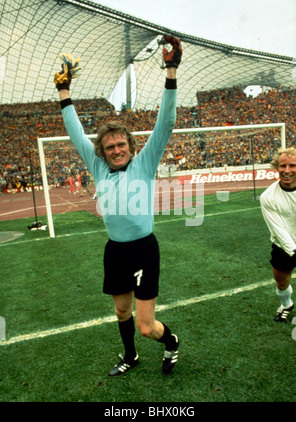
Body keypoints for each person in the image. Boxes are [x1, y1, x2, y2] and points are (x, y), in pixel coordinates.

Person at [54, 37, 183, 375]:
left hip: (143, 251)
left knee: (146, 325)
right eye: (109, 146)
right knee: (121, 313)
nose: (116, 149)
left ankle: (170, 342)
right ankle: (131, 357)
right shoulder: (97, 167)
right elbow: (76, 132)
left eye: (121, 144)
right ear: (103, 151)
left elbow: (166, 123)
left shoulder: (145, 162)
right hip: (115, 251)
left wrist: (170, 71)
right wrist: (64, 93)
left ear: (130, 145)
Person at [260, 147, 296, 322]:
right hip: (283, 246)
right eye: (283, 166)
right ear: (277, 167)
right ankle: (286, 304)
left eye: (292, 165)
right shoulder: (268, 196)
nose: (287, 170)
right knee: (282, 283)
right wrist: (295, 251)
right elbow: (278, 229)